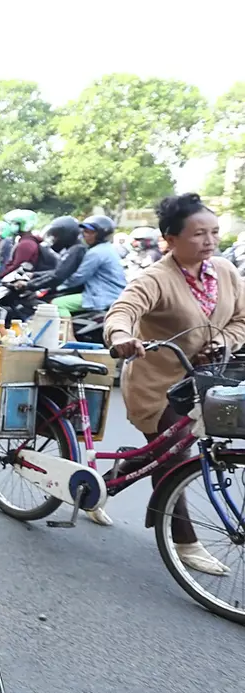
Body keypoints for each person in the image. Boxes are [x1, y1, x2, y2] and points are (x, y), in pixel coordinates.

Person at [102, 194, 242, 577]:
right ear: (170, 238)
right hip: (157, 385)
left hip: (206, 384)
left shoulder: (226, 272)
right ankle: (185, 541)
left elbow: (240, 320)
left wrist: (223, 342)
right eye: (198, 234)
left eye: (213, 232)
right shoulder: (156, 278)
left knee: (160, 451)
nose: (209, 241)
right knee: (176, 457)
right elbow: (123, 311)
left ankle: (97, 488)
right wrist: (121, 337)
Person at [50, 216, 127, 318]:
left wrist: (57, 286)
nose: (85, 235)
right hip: (112, 293)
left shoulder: (96, 252)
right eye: (85, 231)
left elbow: (79, 277)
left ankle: (67, 333)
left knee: (57, 304)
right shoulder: (107, 248)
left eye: (90, 232)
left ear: (101, 235)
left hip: (102, 295)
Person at [24, 216, 85, 294]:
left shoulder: (76, 250)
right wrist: (34, 275)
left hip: (72, 290)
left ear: (66, 234)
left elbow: (58, 276)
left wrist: (28, 285)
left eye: (56, 236)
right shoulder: (73, 248)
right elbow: (58, 271)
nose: (54, 239)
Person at [0, 209, 56, 276]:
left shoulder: (26, 244)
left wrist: (0, 276)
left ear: (25, 225)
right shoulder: (28, 241)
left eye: (15, 223)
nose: (12, 226)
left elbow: (16, 266)